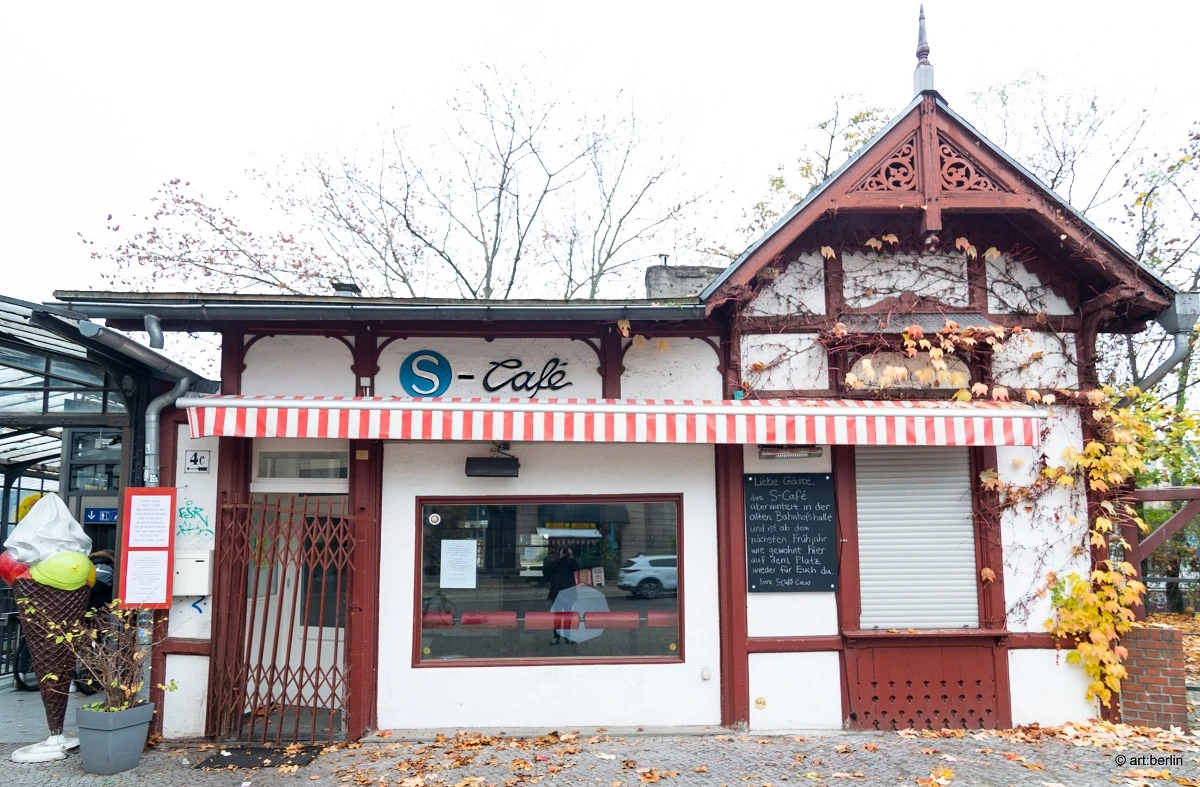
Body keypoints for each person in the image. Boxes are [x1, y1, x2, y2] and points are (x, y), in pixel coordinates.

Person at [547, 547, 580, 644]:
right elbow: (549, 567)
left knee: (567, 616)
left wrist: (572, 557)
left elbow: (578, 568)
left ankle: (567, 636)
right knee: (557, 616)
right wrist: (559, 557)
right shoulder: (555, 561)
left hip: (568, 592)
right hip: (557, 592)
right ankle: (556, 636)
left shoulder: (570, 561)